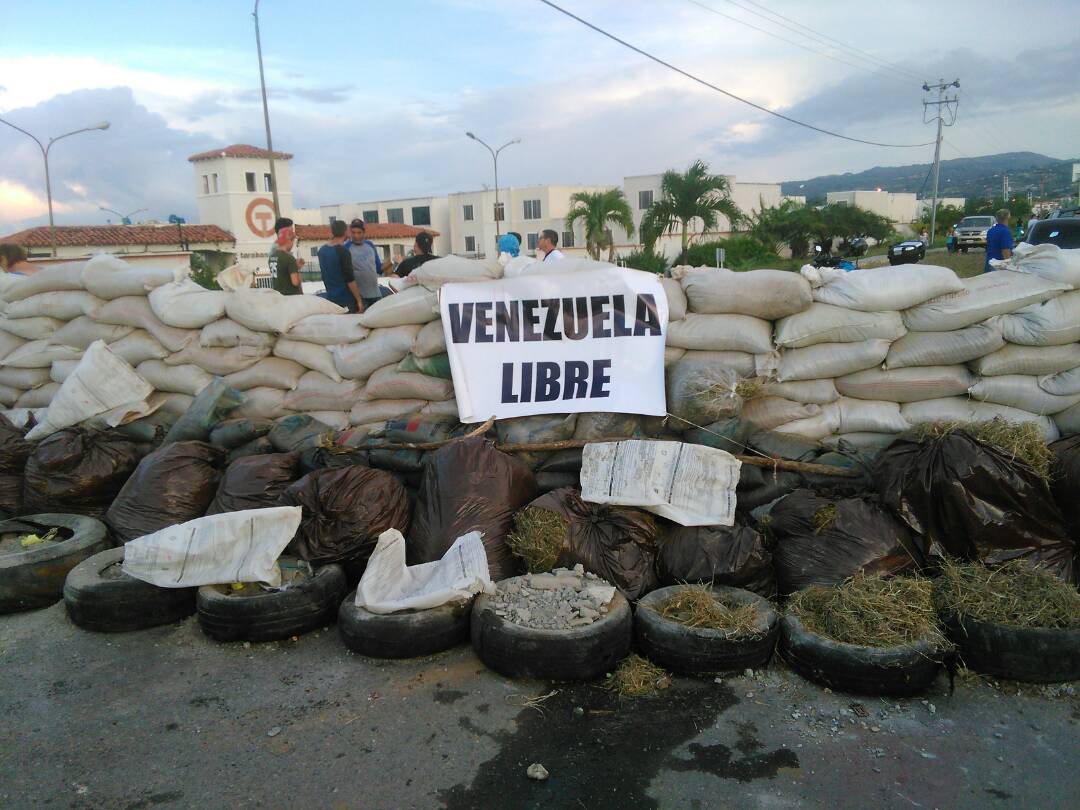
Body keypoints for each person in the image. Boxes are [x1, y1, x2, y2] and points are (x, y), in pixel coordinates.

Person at [317, 220, 363, 312]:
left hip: (330, 297)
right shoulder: (343, 251)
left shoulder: (322, 251)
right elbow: (349, 279)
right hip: (345, 298)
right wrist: (359, 299)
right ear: (345, 232)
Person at [347, 219, 384, 310]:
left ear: (364, 233)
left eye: (359, 233)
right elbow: (346, 275)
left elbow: (379, 268)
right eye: (353, 233)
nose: (356, 236)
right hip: (360, 298)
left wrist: (392, 263)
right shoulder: (346, 248)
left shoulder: (370, 245)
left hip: (376, 294)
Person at [268, 218, 302, 295]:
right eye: (290, 229)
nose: (292, 232)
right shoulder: (281, 251)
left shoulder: (274, 253)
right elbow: (295, 281)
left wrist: (294, 267)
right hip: (290, 296)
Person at [984, 208, 1014, 273]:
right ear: (1008, 217)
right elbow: (1005, 250)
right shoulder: (1005, 231)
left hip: (989, 262)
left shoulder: (990, 230)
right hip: (999, 264)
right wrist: (1009, 266)